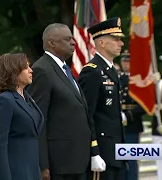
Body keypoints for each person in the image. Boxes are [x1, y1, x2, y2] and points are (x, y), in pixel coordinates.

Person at [26, 23, 105, 180]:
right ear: (52, 43)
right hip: (59, 164)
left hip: (76, 161)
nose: (73, 42)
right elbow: (38, 120)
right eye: (68, 39)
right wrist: (42, 165)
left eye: (73, 39)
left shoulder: (64, 69)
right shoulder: (43, 70)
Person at [77, 17, 126, 180]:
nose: (121, 43)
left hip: (114, 150)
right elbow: (86, 115)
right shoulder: (92, 71)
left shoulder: (111, 71)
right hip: (102, 150)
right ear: (102, 43)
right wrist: (94, 152)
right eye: (116, 39)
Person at [0, 53, 44, 180]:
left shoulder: (28, 99)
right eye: (26, 67)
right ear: (13, 71)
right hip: (14, 172)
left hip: (32, 170)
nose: (31, 70)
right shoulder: (5, 101)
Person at [119, 50, 145, 180]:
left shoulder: (139, 81)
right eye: (124, 61)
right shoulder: (116, 78)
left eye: (128, 61)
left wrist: (127, 115)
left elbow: (144, 105)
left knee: (131, 160)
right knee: (119, 160)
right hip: (117, 124)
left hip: (132, 124)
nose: (126, 64)